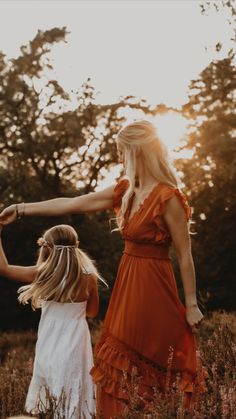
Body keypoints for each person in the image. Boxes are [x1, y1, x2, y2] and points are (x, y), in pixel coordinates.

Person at [0, 120, 208, 417]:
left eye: (122, 152)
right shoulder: (124, 190)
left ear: (136, 152)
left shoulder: (168, 197)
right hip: (127, 284)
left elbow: (185, 256)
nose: (120, 158)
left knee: (157, 360)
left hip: (155, 287)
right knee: (116, 365)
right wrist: (21, 209)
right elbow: (71, 203)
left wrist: (191, 304)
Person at [0, 224, 99, 418]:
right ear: (76, 245)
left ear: (47, 248)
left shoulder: (42, 274)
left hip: (49, 340)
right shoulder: (89, 278)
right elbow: (93, 313)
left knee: (49, 385)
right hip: (76, 340)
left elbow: (4, 268)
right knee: (73, 384)